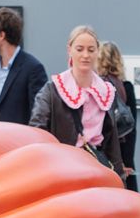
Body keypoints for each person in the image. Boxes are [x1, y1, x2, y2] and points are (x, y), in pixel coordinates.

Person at [29, 25, 127, 176]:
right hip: (61, 169)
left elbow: (112, 141)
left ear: (97, 52)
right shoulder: (52, 90)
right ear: (70, 50)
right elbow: (37, 132)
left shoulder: (106, 91)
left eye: (91, 49)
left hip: (97, 168)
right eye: (80, 49)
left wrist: (119, 177)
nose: (85, 55)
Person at [97, 41, 139, 191]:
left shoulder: (96, 88)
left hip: (100, 153)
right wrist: (127, 161)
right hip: (123, 153)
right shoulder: (126, 87)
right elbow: (131, 128)